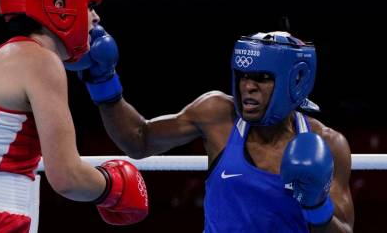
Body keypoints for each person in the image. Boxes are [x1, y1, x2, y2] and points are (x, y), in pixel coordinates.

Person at [68, 28, 355, 232]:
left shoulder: (327, 144)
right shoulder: (218, 116)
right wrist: (103, 82)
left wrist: (317, 207)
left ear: (295, 81)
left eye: (262, 78)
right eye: (243, 76)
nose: (248, 87)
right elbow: (139, 140)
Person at [0, 0, 148, 233]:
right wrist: (114, 185)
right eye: (89, 7)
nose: (96, 19)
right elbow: (67, 177)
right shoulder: (40, 61)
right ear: (60, 5)